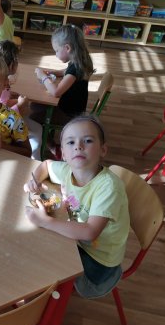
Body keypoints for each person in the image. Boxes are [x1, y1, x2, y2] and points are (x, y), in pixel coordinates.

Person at [23, 115, 130, 299]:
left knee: (40, 260)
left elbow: (90, 232)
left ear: (103, 150)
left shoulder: (109, 187)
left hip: (99, 262)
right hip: (78, 240)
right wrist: (33, 181)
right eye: (71, 142)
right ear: (63, 154)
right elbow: (46, 165)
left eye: (87, 141)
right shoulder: (67, 170)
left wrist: (45, 222)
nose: (78, 146)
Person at [31, 25, 95, 157]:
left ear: (67, 48)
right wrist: (51, 72)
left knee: (32, 119)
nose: (55, 54)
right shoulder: (79, 60)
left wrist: (43, 77)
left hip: (69, 114)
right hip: (73, 108)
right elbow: (65, 72)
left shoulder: (75, 69)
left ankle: (53, 147)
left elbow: (56, 92)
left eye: (56, 50)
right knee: (35, 105)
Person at [0, 40, 43, 159]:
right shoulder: (3, 84)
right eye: (17, 60)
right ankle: (35, 159)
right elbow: (2, 115)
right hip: (2, 125)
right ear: (11, 65)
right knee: (38, 130)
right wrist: (20, 105)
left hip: (0, 121)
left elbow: (1, 103)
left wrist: (10, 96)